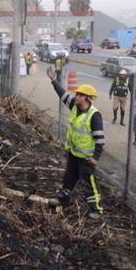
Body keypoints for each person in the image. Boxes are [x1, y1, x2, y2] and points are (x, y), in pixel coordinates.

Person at [46, 67, 105, 219]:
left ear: (86, 98)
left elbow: (100, 139)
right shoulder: (75, 106)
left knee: (88, 183)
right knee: (69, 178)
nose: (75, 96)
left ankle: (96, 209)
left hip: (86, 158)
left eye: (79, 94)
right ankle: (62, 199)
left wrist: (95, 157)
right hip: (73, 153)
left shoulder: (94, 116)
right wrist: (53, 80)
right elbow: (62, 94)